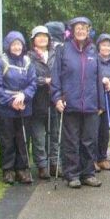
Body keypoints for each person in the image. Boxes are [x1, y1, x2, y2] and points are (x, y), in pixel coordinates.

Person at [51, 17, 104, 188]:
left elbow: (98, 78)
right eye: (78, 28)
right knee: (71, 141)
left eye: (84, 28)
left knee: (89, 141)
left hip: (90, 104)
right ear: (72, 30)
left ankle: (88, 173)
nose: (81, 30)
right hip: (70, 103)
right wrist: (57, 97)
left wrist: (101, 104)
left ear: (89, 30)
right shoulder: (63, 50)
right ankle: (72, 174)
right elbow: (56, 76)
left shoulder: (93, 50)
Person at [0, 31, 37, 184]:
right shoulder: (0, 62)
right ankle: (8, 169)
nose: (17, 47)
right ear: (8, 45)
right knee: (7, 140)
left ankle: (22, 169)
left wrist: (24, 95)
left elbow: (33, 83)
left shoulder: (27, 61)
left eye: (19, 44)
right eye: (14, 44)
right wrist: (10, 101)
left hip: (24, 107)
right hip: (5, 109)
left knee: (22, 140)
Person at [28, 26, 56, 180]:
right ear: (33, 40)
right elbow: (28, 77)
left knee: (54, 134)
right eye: (39, 36)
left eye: (45, 36)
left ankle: (54, 164)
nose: (42, 39)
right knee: (39, 136)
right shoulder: (29, 57)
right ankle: (42, 166)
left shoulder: (55, 54)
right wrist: (44, 80)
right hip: (37, 101)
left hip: (53, 100)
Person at [44, 21, 65, 177]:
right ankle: (53, 163)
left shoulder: (59, 50)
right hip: (51, 95)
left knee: (55, 131)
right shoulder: (63, 49)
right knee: (55, 131)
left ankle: (53, 163)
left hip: (56, 95)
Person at [95, 33, 110, 171]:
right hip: (96, 101)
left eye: (108, 45)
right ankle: (91, 159)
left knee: (105, 130)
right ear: (98, 46)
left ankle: (102, 158)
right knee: (93, 131)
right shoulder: (93, 60)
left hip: (109, 100)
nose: (106, 47)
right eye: (103, 45)